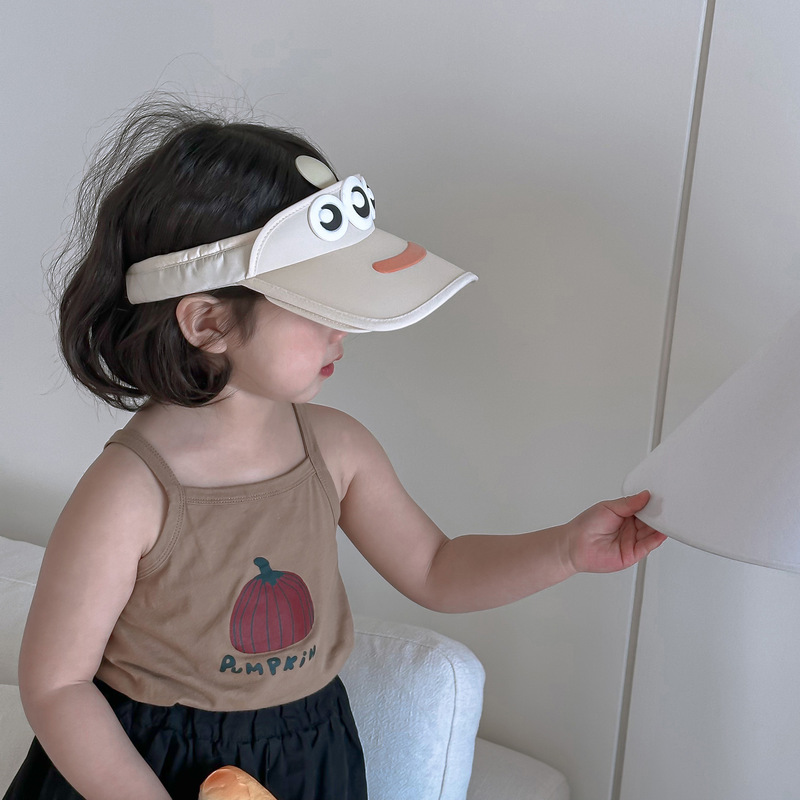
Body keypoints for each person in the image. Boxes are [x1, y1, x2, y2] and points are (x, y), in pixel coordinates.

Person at [4, 97, 666, 800]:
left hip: (309, 755)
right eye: (316, 307)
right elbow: (58, 684)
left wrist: (566, 549)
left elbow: (437, 568)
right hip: (146, 767)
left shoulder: (337, 449)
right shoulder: (130, 491)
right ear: (207, 322)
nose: (341, 330)